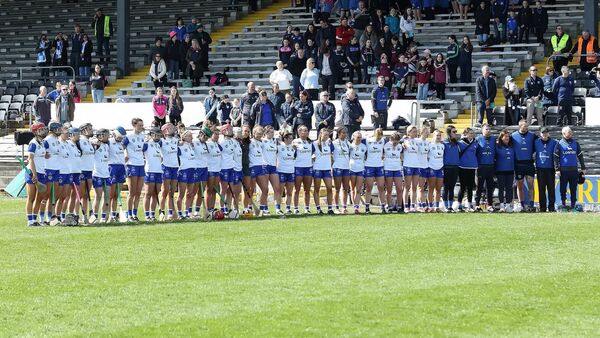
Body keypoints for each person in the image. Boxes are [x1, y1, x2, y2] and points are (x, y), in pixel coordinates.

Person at [554, 126, 586, 210]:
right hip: (563, 171)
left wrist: (583, 167)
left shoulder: (575, 143)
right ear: (564, 133)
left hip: (573, 170)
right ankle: (563, 204)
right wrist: (557, 169)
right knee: (563, 189)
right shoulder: (559, 143)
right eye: (569, 132)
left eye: (571, 132)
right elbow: (556, 157)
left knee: (573, 189)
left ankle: (573, 205)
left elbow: (580, 156)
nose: (571, 133)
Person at [122, 118, 146, 222]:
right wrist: (125, 154)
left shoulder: (142, 136)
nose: (142, 127)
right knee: (132, 192)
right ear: (134, 125)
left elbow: (144, 149)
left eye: (142, 125)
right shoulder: (128, 137)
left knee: (138, 192)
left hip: (141, 165)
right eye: (140, 125)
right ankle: (128, 214)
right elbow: (121, 147)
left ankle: (134, 214)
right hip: (132, 165)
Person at [25, 122, 48, 226]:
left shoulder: (43, 143)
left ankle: (35, 219)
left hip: (42, 172)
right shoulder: (33, 143)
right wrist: (34, 174)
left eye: (44, 129)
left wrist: (46, 155)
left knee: (39, 197)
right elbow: (31, 159)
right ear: (35, 132)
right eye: (41, 129)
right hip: (33, 172)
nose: (44, 131)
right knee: (31, 197)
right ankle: (30, 220)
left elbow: (43, 155)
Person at [511, 120, 537, 212]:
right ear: (520, 126)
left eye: (527, 126)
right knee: (520, 186)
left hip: (529, 163)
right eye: (524, 126)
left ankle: (531, 205)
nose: (526, 128)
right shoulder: (513, 136)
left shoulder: (532, 136)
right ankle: (522, 205)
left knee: (531, 185)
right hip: (518, 164)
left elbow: (537, 146)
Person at [157, 123, 179, 221]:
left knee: (172, 192)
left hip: (175, 167)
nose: (173, 129)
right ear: (165, 130)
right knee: (165, 191)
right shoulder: (161, 141)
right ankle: (161, 212)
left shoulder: (176, 140)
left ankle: (171, 213)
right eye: (171, 127)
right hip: (165, 166)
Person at [89, 128, 111, 224]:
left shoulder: (107, 145)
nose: (108, 136)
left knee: (107, 196)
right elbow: (91, 142)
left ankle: (103, 217)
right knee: (98, 196)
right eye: (106, 135)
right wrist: (95, 141)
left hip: (106, 175)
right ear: (100, 136)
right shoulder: (95, 145)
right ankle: (95, 216)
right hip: (97, 174)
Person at [312, 128, 334, 214]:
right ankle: (318, 208)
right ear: (320, 134)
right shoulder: (314, 144)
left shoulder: (329, 143)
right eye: (325, 135)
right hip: (317, 168)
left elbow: (332, 152)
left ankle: (330, 208)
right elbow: (309, 154)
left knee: (329, 188)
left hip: (327, 169)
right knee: (317, 189)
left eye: (327, 135)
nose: (326, 137)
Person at [534, 126, 557, 212]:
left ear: (548, 133)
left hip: (550, 169)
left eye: (546, 132)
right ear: (540, 133)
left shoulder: (554, 142)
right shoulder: (536, 142)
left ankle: (551, 207)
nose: (544, 134)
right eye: (543, 132)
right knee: (541, 189)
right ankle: (542, 207)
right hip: (540, 169)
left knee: (551, 188)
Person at [142, 127, 162, 221]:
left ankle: (152, 215)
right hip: (149, 171)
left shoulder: (159, 144)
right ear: (151, 135)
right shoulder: (146, 144)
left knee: (156, 194)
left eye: (159, 135)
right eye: (156, 135)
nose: (158, 136)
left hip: (159, 171)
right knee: (148, 194)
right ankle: (147, 215)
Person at [474, 124, 495, 212]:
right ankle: (477, 205)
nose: (488, 131)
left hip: (490, 166)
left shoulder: (494, 139)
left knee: (490, 187)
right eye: (486, 129)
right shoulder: (478, 139)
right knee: (479, 187)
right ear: (482, 131)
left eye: (489, 129)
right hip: (481, 167)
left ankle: (490, 205)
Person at [108, 126, 126, 223]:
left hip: (121, 168)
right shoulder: (109, 142)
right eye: (119, 137)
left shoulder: (121, 143)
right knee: (110, 195)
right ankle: (107, 215)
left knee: (116, 195)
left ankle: (114, 214)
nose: (120, 139)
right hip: (112, 168)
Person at [293, 125, 313, 214]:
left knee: (307, 190)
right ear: (299, 132)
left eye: (306, 131)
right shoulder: (295, 142)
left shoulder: (310, 142)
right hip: (298, 167)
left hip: (308, 167)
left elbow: (314, 153)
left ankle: (307, 208)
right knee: (296, 189)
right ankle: (296, 208)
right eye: (303, 131)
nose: (305, 132)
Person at [457, 128, 478, 212]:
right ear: (465, 134)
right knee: (462, 187)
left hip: (472, 167)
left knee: (470, 187)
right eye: (470, 133)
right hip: (462, 166)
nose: (472, 135)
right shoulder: (461, 143)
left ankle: (469, 205)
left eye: (473, 133)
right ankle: (459, 205)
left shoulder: (475, 142)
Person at [382, 131, 403, 213]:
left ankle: (399, 206)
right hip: (388, 169)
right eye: (394, 141)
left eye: (397, 141)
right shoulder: (385, 145)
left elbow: (401, 156)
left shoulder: (400, 146)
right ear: (391, 139)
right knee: (389, 189)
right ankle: (389, 206)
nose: (396, 143)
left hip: (397, 169)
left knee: (399, 189)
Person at [495, 129, 515, 212]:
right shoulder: (497, 146)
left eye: (508, 136)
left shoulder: (512, 146)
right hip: (500, 171)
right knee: (501, 188)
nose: (507, 138)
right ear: (501, 137)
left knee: (509, 188)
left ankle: (508, 205)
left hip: (510, 170)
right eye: (505, 136)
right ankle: (502, 205)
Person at [427, 129, 444, 212]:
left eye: (439, 135)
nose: (438, 137)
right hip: (432, 167)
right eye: (437, 135)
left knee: (438, 189)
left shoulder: (442, 145)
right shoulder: (429, 145)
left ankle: (436, 206)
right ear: (433, 136)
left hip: (440, 168)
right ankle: (430, 206)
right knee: (431, 188)